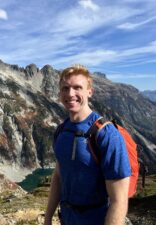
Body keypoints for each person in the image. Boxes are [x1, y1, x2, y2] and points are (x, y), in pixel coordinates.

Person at [44, 64, 131, 225]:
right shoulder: (62, 131)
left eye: (78, 88)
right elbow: (59, 175)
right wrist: (48, 218)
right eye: (65, 88)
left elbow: (119, 200)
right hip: (67, 219)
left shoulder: (107, 134)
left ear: (89, 91)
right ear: (60, 93)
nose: (70, 94)